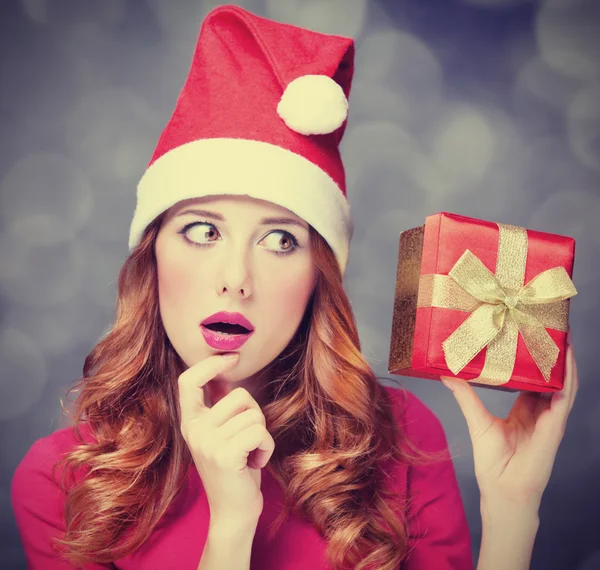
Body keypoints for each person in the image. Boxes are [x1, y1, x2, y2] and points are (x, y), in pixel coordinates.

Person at [11, 5, 579, 570]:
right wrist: (232, 526)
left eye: (280, 240)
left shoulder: (399, 439)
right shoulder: (63, 480)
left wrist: (512, 506)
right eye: (202, 231)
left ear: (318, 277)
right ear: (152, 256)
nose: (236, 279)